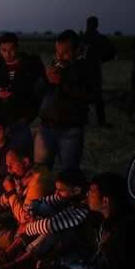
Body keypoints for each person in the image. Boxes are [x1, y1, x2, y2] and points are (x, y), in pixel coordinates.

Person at [0, 169, 90, 269]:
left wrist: (27, 227)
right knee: (43, 209)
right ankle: (10, 252)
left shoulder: (82, 211)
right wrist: (31, 214)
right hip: (48, 241)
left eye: (61, 190)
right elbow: (39, 202)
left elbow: (51, 224)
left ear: (76, 190)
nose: (56, 193)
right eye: (56, 189)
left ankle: (18, 263)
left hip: (68, 254)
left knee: (51, 228)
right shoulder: (68, 196)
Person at [35, 29, 92, 171]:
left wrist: (62, 82)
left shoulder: (85, 67)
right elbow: (38, 91)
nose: (60, 57)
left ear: (77, 50)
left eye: (65, 53)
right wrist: (45, 79)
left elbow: (88, 95)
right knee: (40, 172)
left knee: (69, 172)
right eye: (57, 52)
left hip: (70, 130)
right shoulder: (56, 64)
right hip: (46, 127)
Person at [0, 32, 44, 152]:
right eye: (4, 50)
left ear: (17, 48)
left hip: (20, 123)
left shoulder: (29, 67)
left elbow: (38, 95)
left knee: (20, 162)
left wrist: (27, 117)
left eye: (11, 50)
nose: (8, 54)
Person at [0, 145, 54, 231]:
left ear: (25, 162)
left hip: (43, 228)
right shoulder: (21, 176)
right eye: (7, 166)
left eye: (11, 166)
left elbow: (25, 219)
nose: (9, 170)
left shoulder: (39, 180)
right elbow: (1, 202)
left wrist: (11, 192)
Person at [81, 16, 116, 127]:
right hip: (88, 71)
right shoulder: (88, 38)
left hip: (89, 71)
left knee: (92, 97)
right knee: (91, 97)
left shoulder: (92, 38)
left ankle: (93, 121)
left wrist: (101, 59)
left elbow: (111, 51)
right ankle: (97, 121)